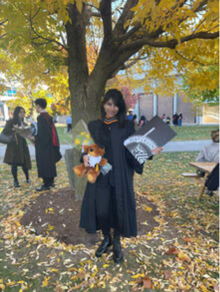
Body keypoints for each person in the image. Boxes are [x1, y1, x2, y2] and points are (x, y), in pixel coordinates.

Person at [79, 89, 162, 263]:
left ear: (120, 107)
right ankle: (106, 237)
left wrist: (149, 151)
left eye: (116, 105)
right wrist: (85, 156)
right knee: (101, 210)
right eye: (109, 104)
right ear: (104, 104)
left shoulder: (126, 126)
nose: (112, 108)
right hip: (100, 175)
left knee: (118, 208)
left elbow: (132, 152)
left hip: (120, 174)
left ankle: (116, 241)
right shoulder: (93, 126)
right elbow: (87, 149)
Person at [31, 98, 62, 191]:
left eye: (36, 106)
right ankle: (51, 181)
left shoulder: (41, 118)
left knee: (44, 163)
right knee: (49, 163)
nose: (35, 108)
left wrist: (35, 138)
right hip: (50, 144)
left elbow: (43, 134)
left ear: (38, 106)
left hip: (43, 145)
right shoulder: (48, 116)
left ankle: (46, 184)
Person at [3, 106, 31, 188]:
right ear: (17, 113)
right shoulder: (11, 121)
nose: (23, 114)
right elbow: (5, 132)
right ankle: (15, 181)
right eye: (21, 112)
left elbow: (26, 134)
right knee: (14, 163)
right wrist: (13, 129)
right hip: (14, 145)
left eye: (23, 112)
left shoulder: (23, 122)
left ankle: (27, 178)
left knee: (24, 162)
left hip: (22, 144)